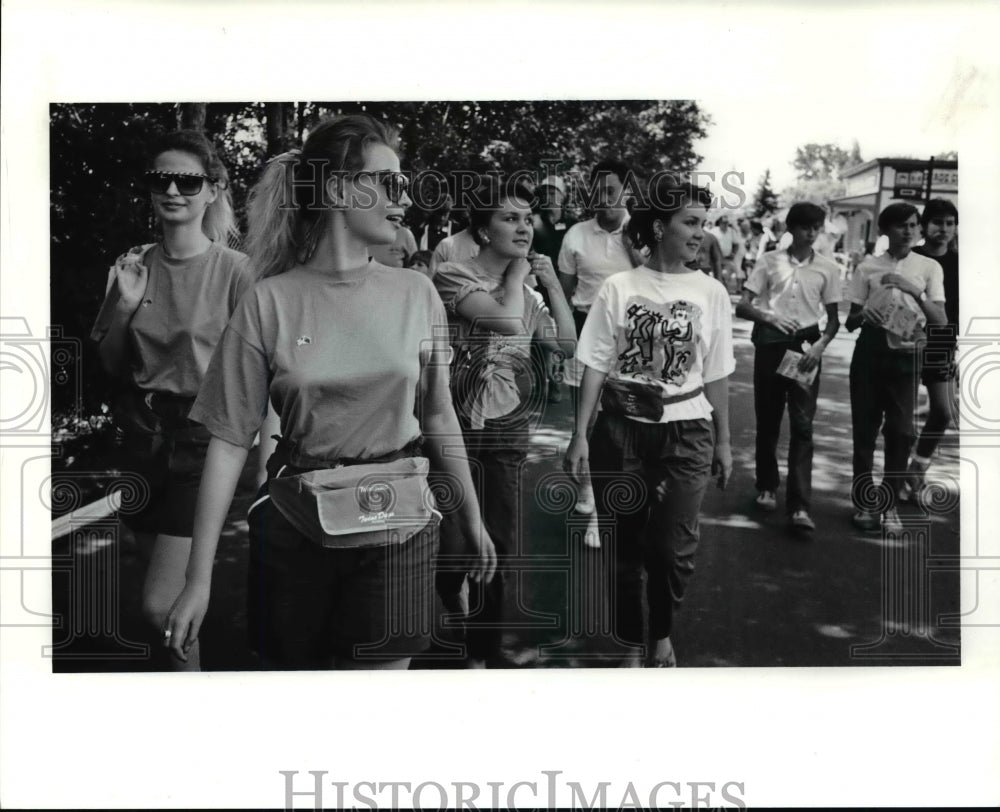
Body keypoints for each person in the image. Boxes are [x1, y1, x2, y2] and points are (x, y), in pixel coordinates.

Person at [164, 114, 496, 670]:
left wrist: (472, 517)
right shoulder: (267, 301)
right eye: (389, 182)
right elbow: (227, 442)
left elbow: (439, 415)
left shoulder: (418, 293)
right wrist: (198, 579)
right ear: (341, 188)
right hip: (295, 527)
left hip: (399, 526)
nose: (404, 198)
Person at [90, 129, 252, 671]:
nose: (173, 190)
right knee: (170, 605)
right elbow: (112, 363)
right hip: (140, 439)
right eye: (161, 180)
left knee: (163, 606)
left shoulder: (237, 271)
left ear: (213, 190)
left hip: (202, 444)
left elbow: (262, 370)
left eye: (188, 180)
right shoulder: (133, 264)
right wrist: (125, 305)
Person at [564, 178, 734, 667]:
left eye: (704, 223)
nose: (701, 233)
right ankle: (633, 642)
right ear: (660, 227)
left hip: (688, 430)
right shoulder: (620, 287)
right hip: (621, 430)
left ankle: (660, 631)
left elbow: (718, 372)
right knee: (624, 548)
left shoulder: (711, 291)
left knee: (673, 549)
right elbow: (595, 360)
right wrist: (580, 434)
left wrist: (724, 442)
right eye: (691, 222)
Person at [433, 176, 576, 667]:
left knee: (501, 543)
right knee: (452, 543)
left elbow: (565, 347)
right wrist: (518, 278)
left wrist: (552, 283)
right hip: (450, 423)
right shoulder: (452, 275)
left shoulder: (531, 295)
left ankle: (482, 654)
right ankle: (450, 600)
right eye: (508, 218)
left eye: (526, 218)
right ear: (482, 228)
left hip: (506, 425)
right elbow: (505, 321)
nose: (523, 228)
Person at [735, 202, 842, 531]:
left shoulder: (828, 267)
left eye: (816, 227)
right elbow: (743, 305)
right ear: (791, 228)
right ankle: (767, 486)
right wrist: (768, 316)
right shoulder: (769, 261)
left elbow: (834, 320)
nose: (811, 233)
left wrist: (820, 347)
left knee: (803, 425)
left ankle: (799, 506)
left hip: (806, 347)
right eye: (805, 226)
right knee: (767, 419)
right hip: (771, 343)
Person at [845, 202, 946, 532]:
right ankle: (864, 503)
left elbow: (940, 320)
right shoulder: (867, 267)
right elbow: (850, 321)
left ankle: (888, 505)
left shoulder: (928, 267)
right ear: (884, 230)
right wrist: (865, 316)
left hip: (906, 354)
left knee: (901, 432)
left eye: (914, 225)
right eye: (901, 225)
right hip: (870, 353)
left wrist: (914, 291)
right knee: (865, 431)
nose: (909, 231)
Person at [905, 198, 959, 498]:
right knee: (901, 417)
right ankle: (897, 475)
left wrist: (957, 352)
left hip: (943, 344)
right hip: (907, 341)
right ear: (925, 226)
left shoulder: (960, 264)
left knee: (942, 411)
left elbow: (963, 312)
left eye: (950, 223)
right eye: (938, 222)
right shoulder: (910, 258)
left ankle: (918, 468)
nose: (944, 228)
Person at [532, 175, 576, 403]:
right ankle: (541, 383)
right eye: (545, 192)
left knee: (561, 338)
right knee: (540, 339)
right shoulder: (533, 221)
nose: (549, 197)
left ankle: (556, 382)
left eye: (553, 192)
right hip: (538, 289)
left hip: (564, 290)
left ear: (563, 196)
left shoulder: (572, 225)